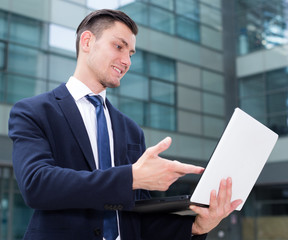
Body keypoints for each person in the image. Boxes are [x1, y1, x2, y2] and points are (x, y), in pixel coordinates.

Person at [8, 9, 242, 240]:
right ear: (87, 41)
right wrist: (131, 177)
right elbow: (36, 184)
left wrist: (196, 227)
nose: (127, 61)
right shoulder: (34, 112)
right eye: (118, 47)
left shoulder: (130, 130)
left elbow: (138, 220)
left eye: (130, 53)